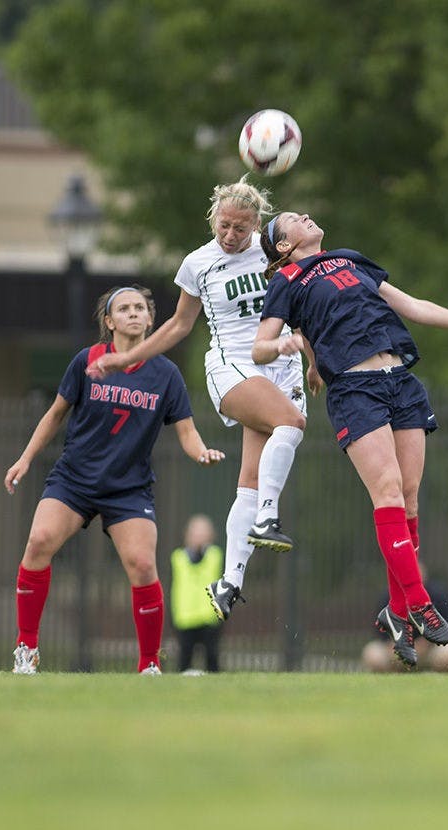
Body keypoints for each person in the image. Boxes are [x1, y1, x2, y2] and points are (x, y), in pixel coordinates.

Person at [253, 211, 448, 669]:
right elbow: (260, 345)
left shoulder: (350, 259)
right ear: (284, 247)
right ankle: (419, 606)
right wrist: (286, 347)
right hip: (356, 390)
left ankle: (396, 612)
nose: (305, 215)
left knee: (409, 502)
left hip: (401, 381)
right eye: (292, 219)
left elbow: (409, 305)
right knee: (387, 492)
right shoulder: (288, 279)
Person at [86, 179, 323, 623]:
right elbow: (177, 326)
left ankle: (230, 580)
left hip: (281, 366)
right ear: (213, 217)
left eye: (241, 227)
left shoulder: (272, 251)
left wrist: (312, 361)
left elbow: (302, 307)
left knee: (249, 481)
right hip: (234, 364)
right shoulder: (198, 263)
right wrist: (128, 358)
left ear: (257, 226)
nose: (230, 235)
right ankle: (269, 517)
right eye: (224, 225)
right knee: (291, 422)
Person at [5, 285, 225, 675]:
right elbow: (56, 413)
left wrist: (201, 451)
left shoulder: (165, 374)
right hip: (74, 479)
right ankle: (27, 648)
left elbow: (187, 432)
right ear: (109, 321)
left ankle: (149, 665)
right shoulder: (87, 360)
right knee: (38, 542)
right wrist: (25, 458)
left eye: (140, 307)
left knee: (142, 565)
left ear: (151, 318)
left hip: (128, 487)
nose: (133, 313)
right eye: (123, 309)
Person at [361, 564, 448, 672]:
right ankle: (391, 685)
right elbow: (382, 638)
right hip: (397, 654)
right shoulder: (387, 598)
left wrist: (424, 645)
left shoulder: (437, 595)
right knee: (373, 654)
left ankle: (442, 684)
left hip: (431, 652)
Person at [170, 514, 224, 673]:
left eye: (203, 532)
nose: (199, 536)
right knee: (184, 659)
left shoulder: (215, 555)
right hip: (185, 617)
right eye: (195, 532)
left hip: (209, 616)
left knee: (212, 658)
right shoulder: (178, 557)